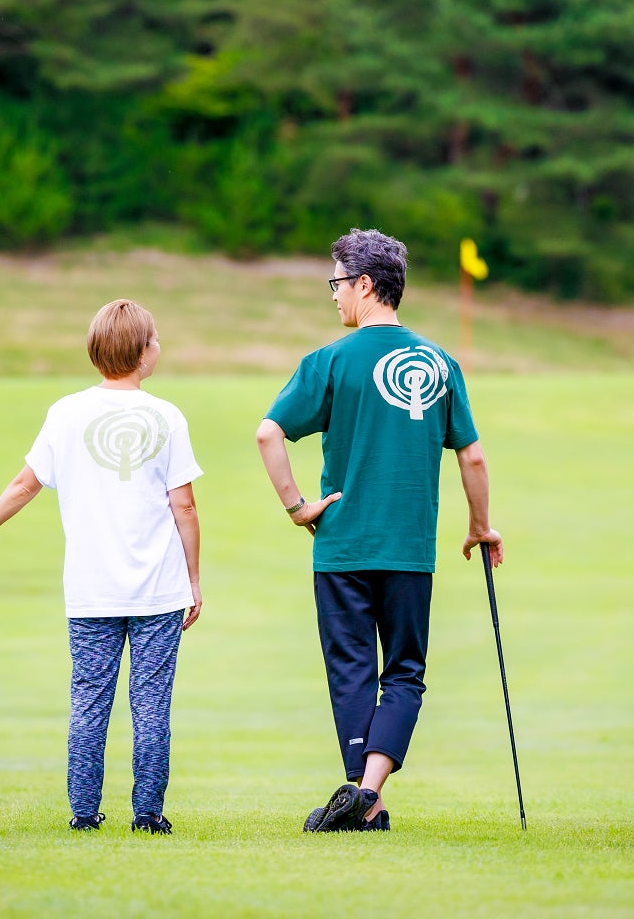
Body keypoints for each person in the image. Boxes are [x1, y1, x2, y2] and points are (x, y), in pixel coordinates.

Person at [255, 228, 502, 833]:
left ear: (365, 285)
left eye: (337, 283)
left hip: (341, 546)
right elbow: (471, 456)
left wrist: (297, 507)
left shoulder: (329, 362)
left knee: (352, 673)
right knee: (404, 674)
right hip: (410, 550)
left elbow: (268, 434)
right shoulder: (441, 363)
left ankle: (364, 794)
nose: (334, 296)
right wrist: (480, 527)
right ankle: (373, 797)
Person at [0, 299, 203, 834]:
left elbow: (26, 483)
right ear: (142, 352)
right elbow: (183, 505)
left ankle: (84, 814)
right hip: (158, 590)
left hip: (91, 591)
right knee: (151, 704)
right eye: (155, 338)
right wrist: (194, 580)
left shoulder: (65, 413)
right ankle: (148, 814)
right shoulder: (167, 417)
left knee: (89, 700)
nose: (160, 345)